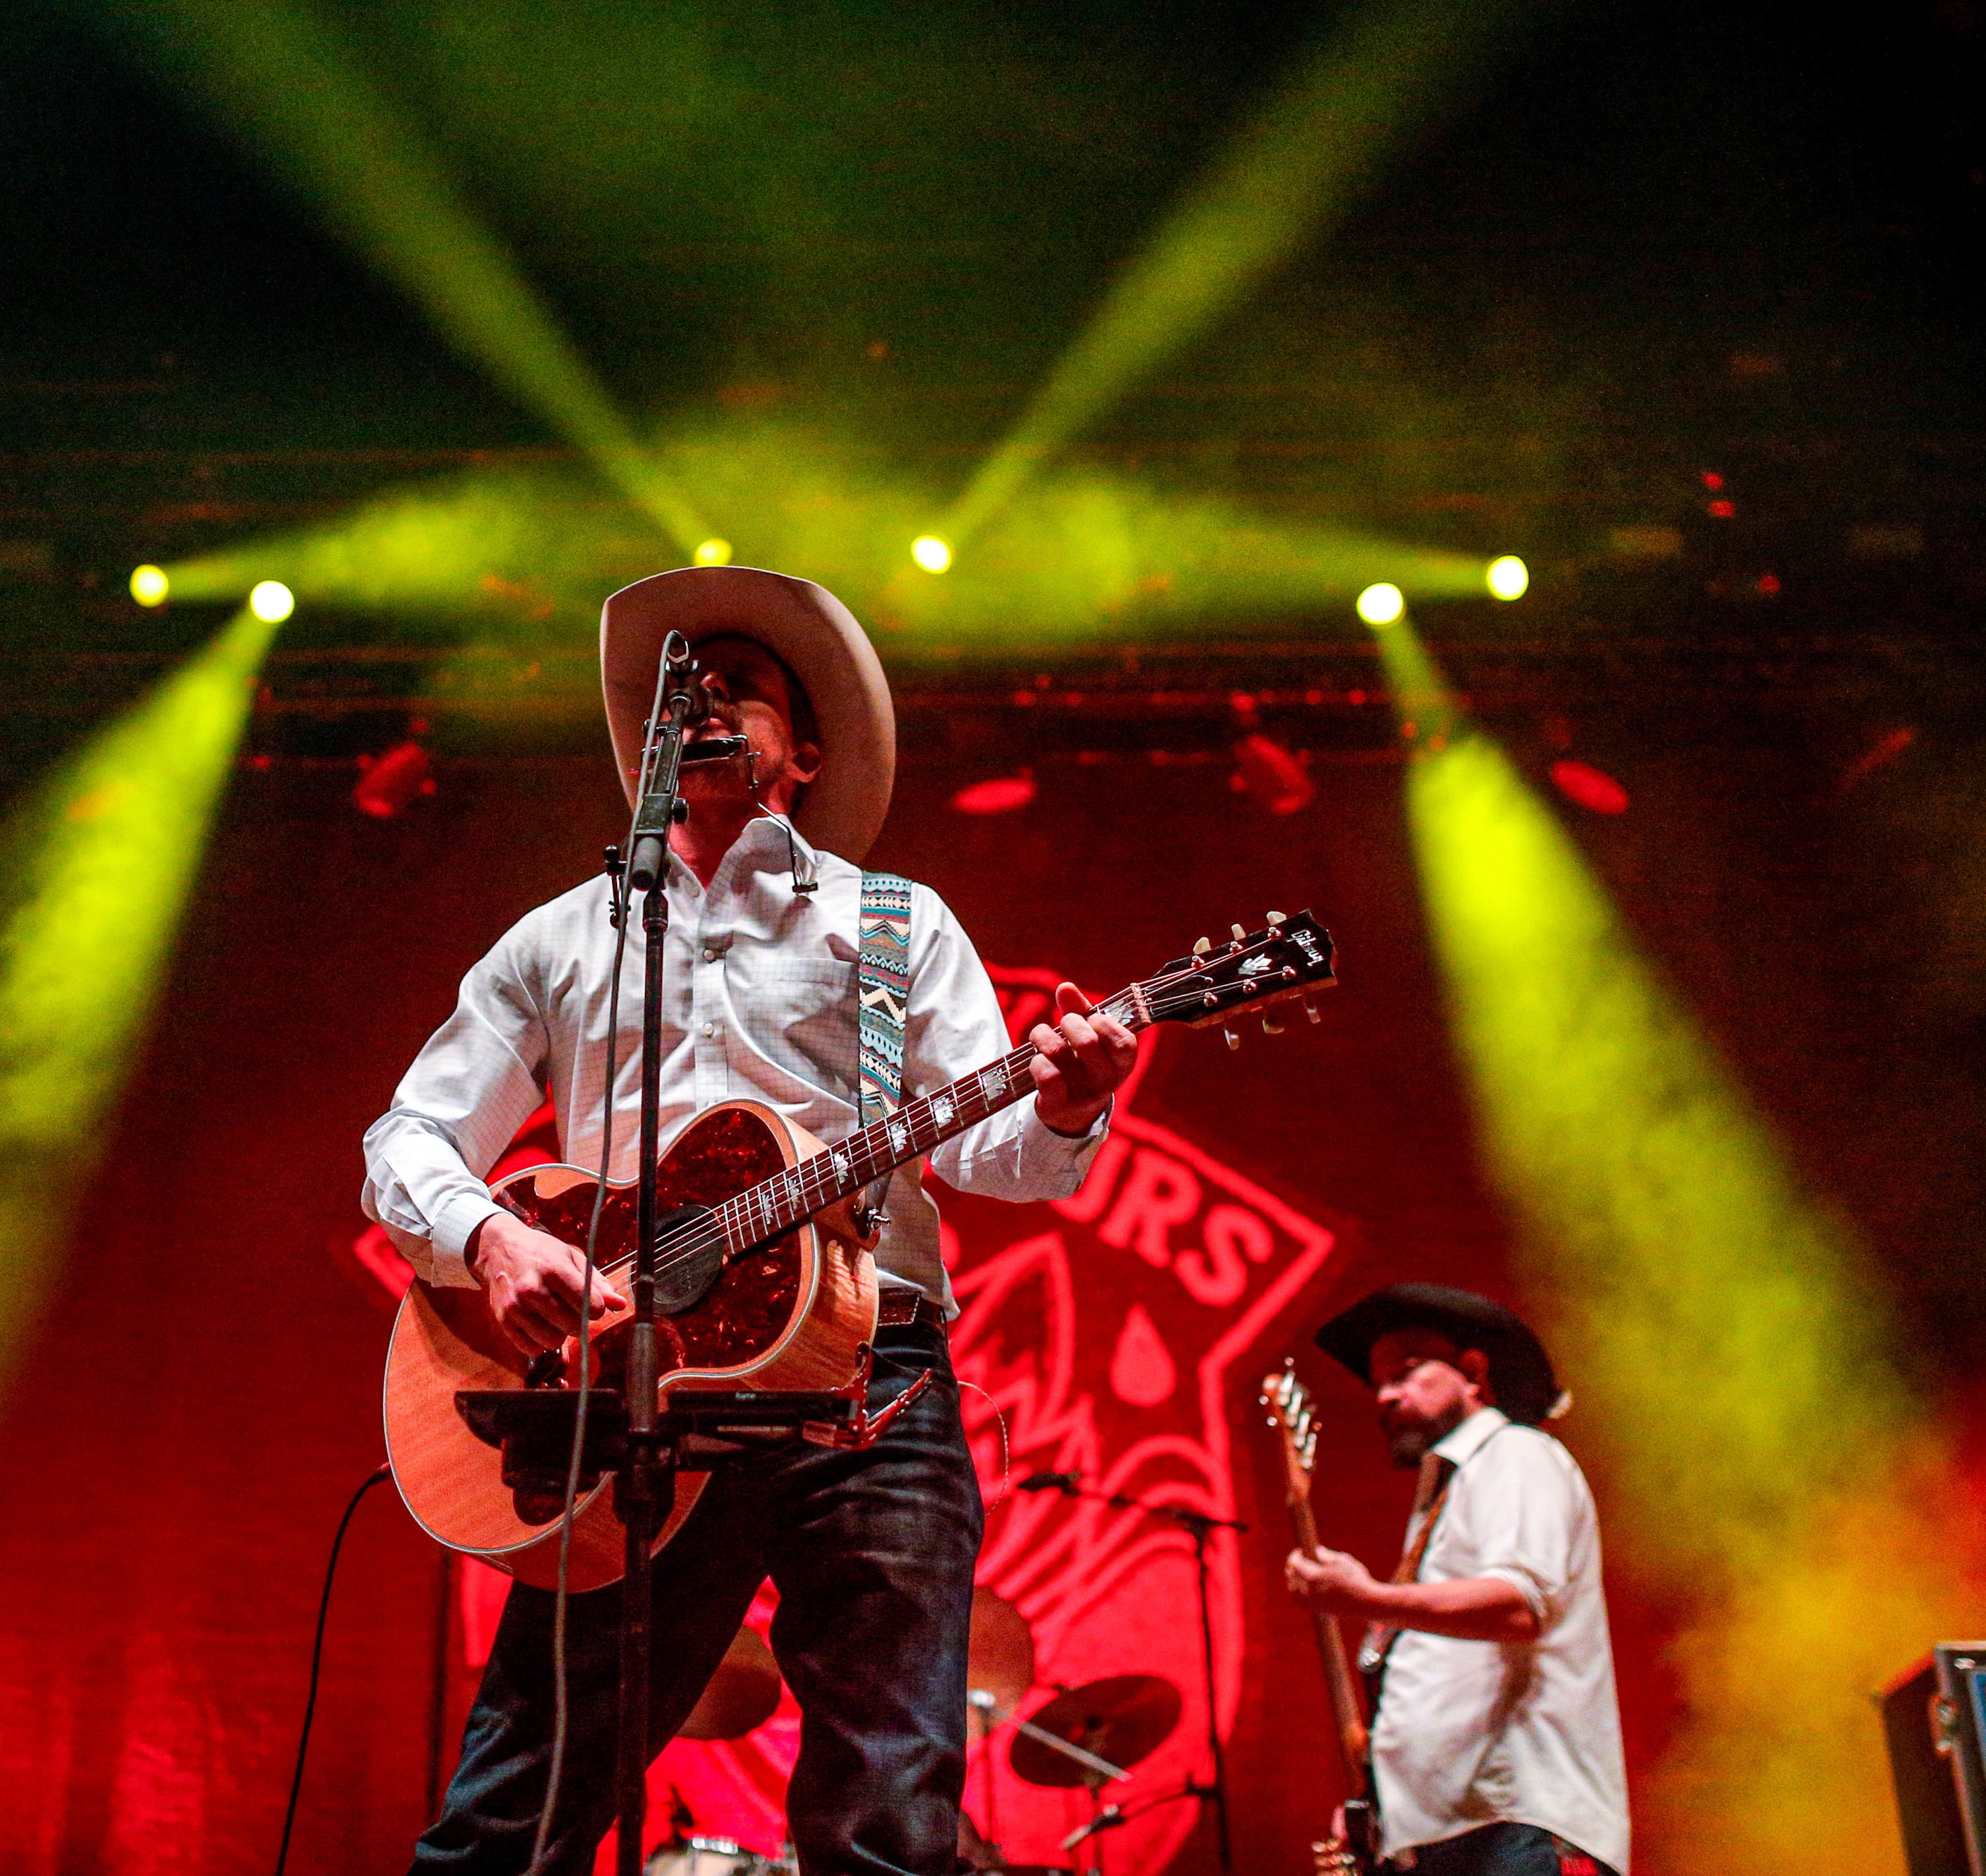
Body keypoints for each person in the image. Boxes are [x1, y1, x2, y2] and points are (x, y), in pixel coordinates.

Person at [364, 565, 1140, 1875]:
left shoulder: (893, 922)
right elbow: (409, 1138)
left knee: (888, 1813)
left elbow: (998, 1151)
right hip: (635, 1377)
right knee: (517, 1804)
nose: (707, 693)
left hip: (872, 1365)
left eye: (745, 684)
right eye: (688, 684)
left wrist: (1065, 1102)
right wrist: (495, 1240)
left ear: (810, 749)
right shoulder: (562, 936)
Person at [1285, 1284, 1629, 1876]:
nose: (1387, 1395)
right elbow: (1442, 1681)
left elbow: (1521, 1606)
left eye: (1408, 1372)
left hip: (1513, 1828)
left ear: (1472, 1372)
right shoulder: (1446, 1493)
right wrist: (1384, 1807)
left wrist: (1369, 1597)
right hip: (1457, 1833)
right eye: (1379, 1383)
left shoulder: (1516, 1454)